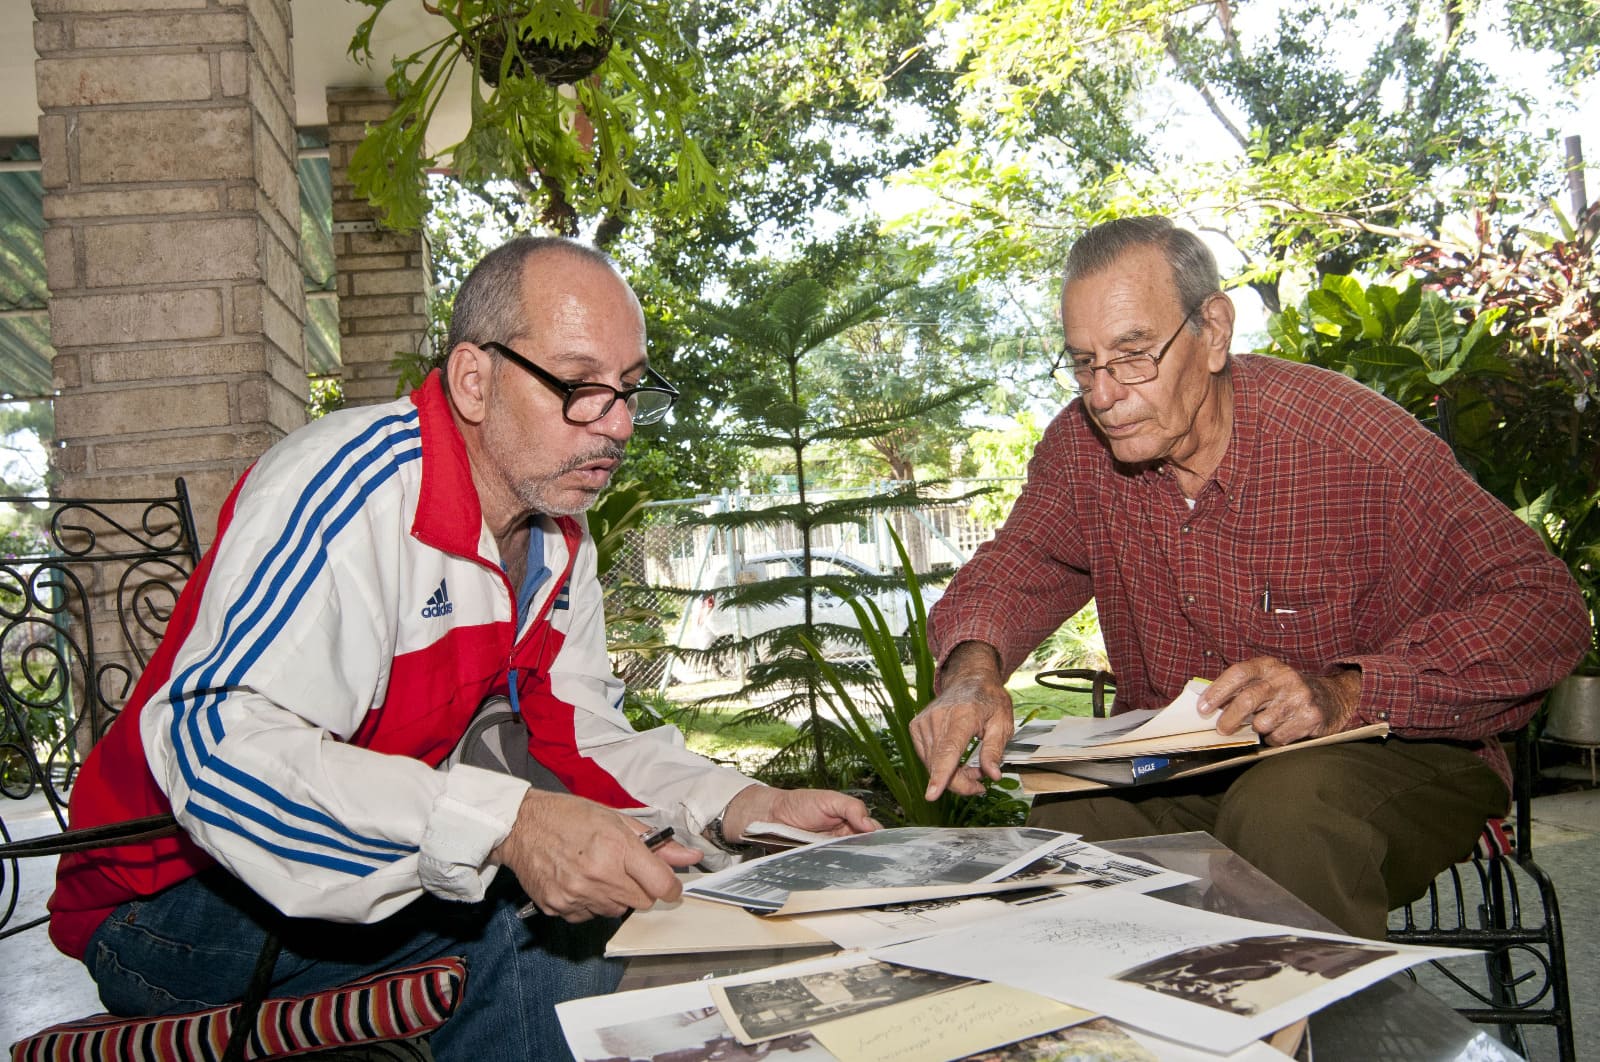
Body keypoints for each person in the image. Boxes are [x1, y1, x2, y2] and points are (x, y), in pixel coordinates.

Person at [49, 236, 876, 1058]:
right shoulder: (347, 489)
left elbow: (579, 737)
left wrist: (742, 806)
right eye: (579, 386)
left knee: (600, 900)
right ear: (474, 380)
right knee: (539, 926)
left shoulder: (557, 540)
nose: (617, 424)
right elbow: (216, 744)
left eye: (628, 390)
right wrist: (505, 825)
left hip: (306, 881)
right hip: (161, 904)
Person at [910, 215, 1590, 939]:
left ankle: (1302, 1041)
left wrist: (1345, 691)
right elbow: (1020, 562)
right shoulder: (1081, 449)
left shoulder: (1352, 443)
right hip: (1185, 767)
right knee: (1069, 826)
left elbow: (1546, 609)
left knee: (1288, 809)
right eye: (1084, 362)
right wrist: (972, 674)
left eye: (1135, 354)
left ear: (1214, 330)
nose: (1104, 394)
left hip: (1404, 750)